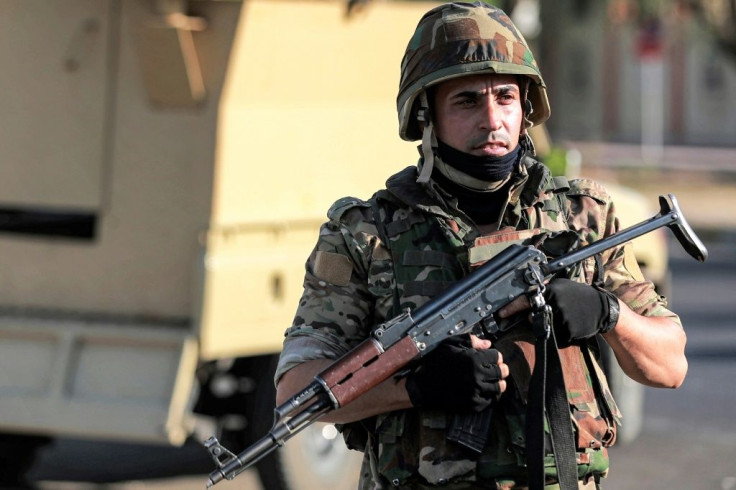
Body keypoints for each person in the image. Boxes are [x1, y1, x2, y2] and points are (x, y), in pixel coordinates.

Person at [274, 2, 687, 489]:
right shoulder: (367, 235)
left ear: (526, 107)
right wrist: (413, 388)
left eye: (506, 98)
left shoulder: (584, 218)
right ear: (426, 113)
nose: (492, 120)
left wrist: (609, 314)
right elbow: (294, 396)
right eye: (467, 101)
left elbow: (670, 365)